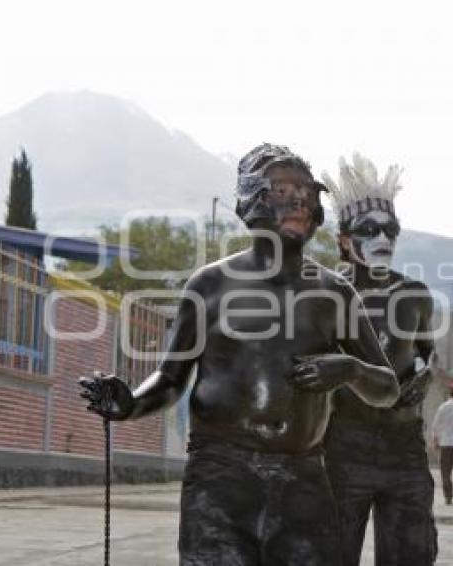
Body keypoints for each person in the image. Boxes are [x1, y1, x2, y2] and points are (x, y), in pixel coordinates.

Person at [79, 143, 399, 566]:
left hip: (304, 477)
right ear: (252, 200)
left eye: (307, 191)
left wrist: (350, 369)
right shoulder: (209, 286)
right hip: (222, 476)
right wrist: (132, 403)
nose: (299, 200)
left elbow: (387, 387)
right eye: (283, 190)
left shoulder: (335, 294)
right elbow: (172, 379)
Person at [321, 154, 438, 566]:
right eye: (368, 230)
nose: (381, 238)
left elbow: (427, 352)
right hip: (341, 443)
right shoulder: (324, 295)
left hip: (404, 444)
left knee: (411, 553)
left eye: (389, 229)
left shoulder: (415, 295)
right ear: (344, 239)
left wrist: (425, 374)